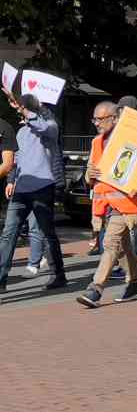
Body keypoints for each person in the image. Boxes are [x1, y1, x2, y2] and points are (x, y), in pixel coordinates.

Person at [77, 101, 137, 307]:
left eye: (100, 119)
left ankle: (95, 289)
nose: (96, 123)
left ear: (115, 118)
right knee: (123, 248)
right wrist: (89, 175)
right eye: (94, 119)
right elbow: (91, 173)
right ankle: (136, 284)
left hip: (128, 205)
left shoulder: (133, 140)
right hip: (106, 205)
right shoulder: (96, 142)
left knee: (110, 243)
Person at [0, 94, 68, 300]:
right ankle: (1, 278)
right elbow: (17, 159)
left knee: (48, 233)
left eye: (26, 110)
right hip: (21, 189)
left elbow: (45, 126)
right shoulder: (21, 132)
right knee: (8, 233)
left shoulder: (49, 127)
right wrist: (12, 180)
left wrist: (25, 108)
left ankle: (59, 274)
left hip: (43, 187)